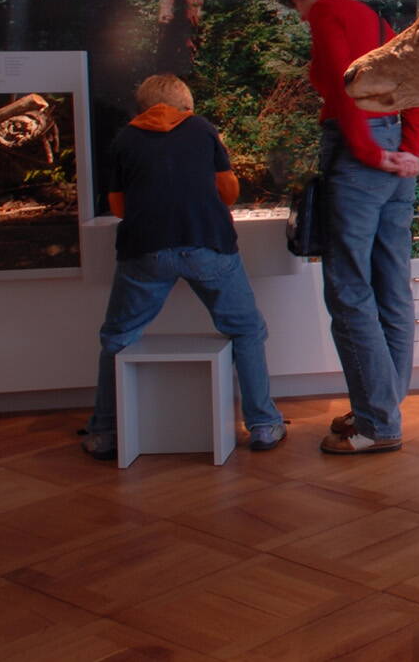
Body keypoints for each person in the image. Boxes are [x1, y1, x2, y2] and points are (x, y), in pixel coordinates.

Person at [84, 74, 285, 459]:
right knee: (246, 331)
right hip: (208, 244)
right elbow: (228, 192)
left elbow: (118, 207)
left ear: (141, 106)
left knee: (118, 336)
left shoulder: (125, 138)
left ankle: (105, 432)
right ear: (186, 104)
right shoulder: (202, 130)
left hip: (145, 250)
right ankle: (263, 425)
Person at [280, 0, 419, 454]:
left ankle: (377, 422)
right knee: (393, 284)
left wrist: (368, 152)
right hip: (394, 158)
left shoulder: (326, 13)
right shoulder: (380, 19)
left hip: (359, 156)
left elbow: (346, 91)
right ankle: (382, 404)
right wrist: (408, 151)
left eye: (296, 5)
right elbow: (416, 89)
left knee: (348, 288)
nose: (302, 16)